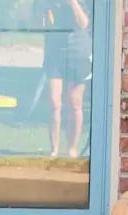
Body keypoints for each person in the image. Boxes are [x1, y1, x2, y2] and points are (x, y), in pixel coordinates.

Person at [35, 0, 92, 158]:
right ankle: (54, 149)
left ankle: (71, 149)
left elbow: (83, 24)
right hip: (55, 53)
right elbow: (39, 27)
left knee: (74, 102)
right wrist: (42, 11)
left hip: (78, 53)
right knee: (54, 102)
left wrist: (73, 3)